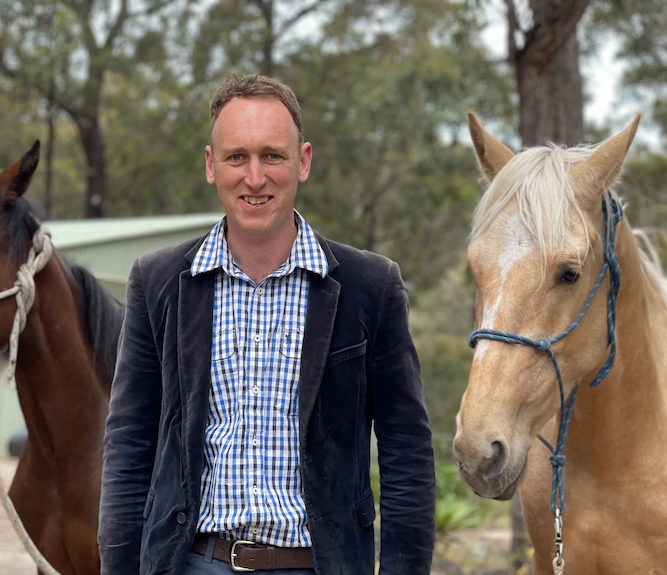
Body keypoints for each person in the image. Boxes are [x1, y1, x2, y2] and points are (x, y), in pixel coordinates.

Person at [98, 74, 435, 575]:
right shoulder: (159, 282)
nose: (255, 178)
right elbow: (130, 444)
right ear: (212, 166)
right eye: (237, 157)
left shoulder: (371, 287)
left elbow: (406, 453)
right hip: (192, 563)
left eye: (272, 156)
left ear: (303, 161)